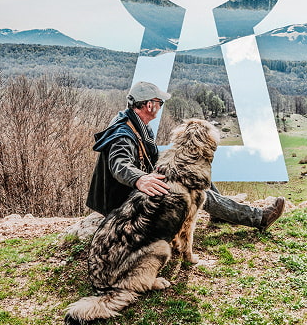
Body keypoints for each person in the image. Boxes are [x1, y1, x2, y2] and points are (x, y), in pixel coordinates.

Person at [86, 80, 286, 231]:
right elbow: (119, 164)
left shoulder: (136, 123)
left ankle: (221, 214)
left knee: (193, 173)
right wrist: (139, 179)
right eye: (160, 102)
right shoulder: (123, 134)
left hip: (136, 188)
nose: (160, 106)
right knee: (193, 191)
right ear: (149, 105)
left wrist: (179, 161)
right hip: (123, 201)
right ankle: (258, 218)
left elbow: (148, 156)